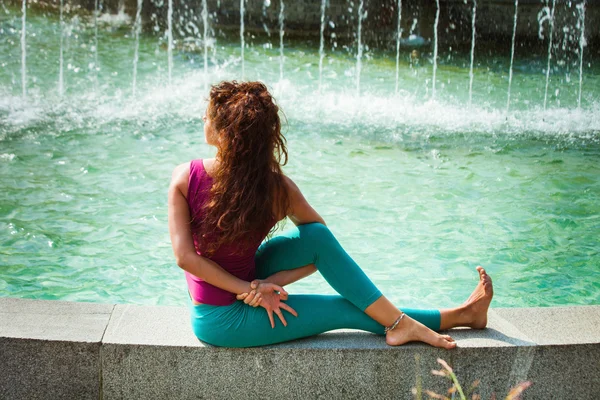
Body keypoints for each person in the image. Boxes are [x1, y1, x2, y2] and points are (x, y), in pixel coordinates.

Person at [168, 80, 493, 349]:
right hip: (219, 317)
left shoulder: (194, 177)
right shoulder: (262, 186)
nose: (203, 120)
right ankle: (454, 316)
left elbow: (321, 246)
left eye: (208, 116)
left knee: (318, 237)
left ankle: (432, 319)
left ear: (226, 134)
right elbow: (186, 259)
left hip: (242, 292)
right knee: (344, 308)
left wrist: (268, 283)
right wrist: (250, 290)